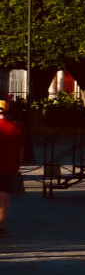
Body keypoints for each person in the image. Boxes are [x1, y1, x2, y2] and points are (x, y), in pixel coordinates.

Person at [0, 99, 24, 234]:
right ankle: (1, 226)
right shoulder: (15, 128)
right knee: (4, 198)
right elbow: (21, 151)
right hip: (8, 167)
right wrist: (18, 165)